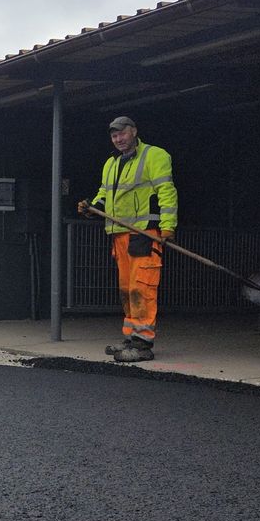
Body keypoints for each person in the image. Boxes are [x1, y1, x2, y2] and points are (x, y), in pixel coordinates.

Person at [77, 116, 177, 363]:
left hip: (144, 232)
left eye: (122, 134)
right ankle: (132, 338)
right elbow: (105, 194)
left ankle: (143, 345)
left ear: (133, 132)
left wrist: (167, 226)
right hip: (119, 234)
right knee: (126, 290)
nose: (118, 139)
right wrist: (92, 207)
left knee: (141, 287)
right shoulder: (110, 163)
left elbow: (166, 191)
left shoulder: (155, 156)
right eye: (114, 136)